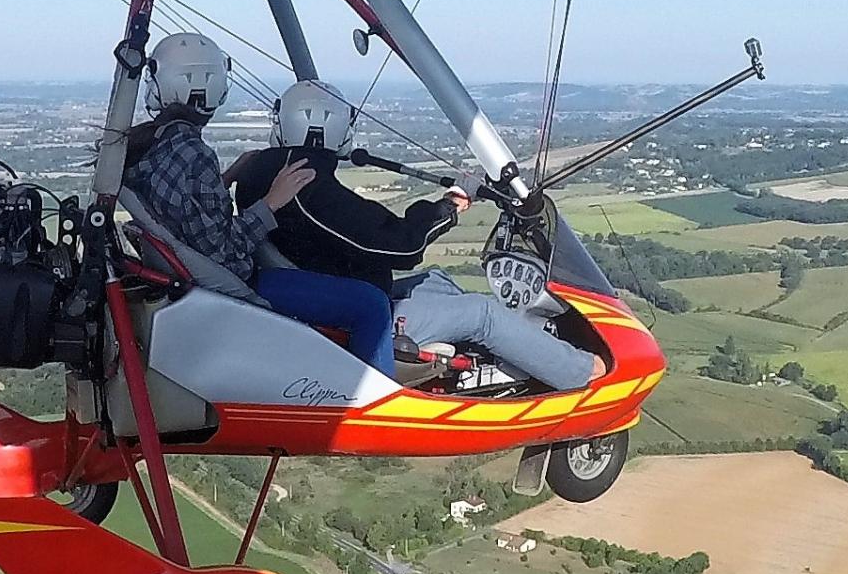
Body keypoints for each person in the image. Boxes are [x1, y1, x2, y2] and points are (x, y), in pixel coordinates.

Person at [230, 81, 604, 392]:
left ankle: (493, 363)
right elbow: (398, 244)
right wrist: (447, 208)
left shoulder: (265, 168)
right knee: (482, 313)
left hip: (329, 283)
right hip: (350, 308)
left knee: (437, 281)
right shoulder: (307, 183)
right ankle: (577, 372)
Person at [122, 33, 398, 374]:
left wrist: (225, 179)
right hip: (242, 282)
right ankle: (376, 405)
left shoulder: (155, 145)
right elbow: (222, 250)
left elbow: (183, 210)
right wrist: (272, 201)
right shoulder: (194, 154)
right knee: (371, 304)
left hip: (200, 277)